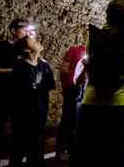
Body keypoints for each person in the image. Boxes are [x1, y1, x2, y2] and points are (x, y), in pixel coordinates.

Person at [75, 0, 124, 167]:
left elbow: (91, 65)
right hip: (119, 103)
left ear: (107, 15)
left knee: (89, 153)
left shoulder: (93, 38)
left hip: (92, 101)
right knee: (116, 156)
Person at [0, 17, 32, 167]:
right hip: (0, 94)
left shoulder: (27, 50)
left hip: (19, 95)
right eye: (24, 28)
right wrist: (13, 70)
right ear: (13, 30)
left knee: (19, 133)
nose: (27, 31)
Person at [8, 36, 55, 167]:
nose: (38, 41)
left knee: (38, 140)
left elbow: (51, 84)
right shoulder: (20, 65)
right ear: (26, 49)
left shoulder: (44, 65)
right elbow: (25, 86)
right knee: (19, 141)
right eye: (33, 41)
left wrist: (36, 87)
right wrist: (36, 88)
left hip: (40, 108)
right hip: (22, 110)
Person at [55, 27, 88, 162]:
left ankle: (75, 149)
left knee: (80, 122)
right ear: (83, 36)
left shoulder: (97, 53)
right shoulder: (75, 50)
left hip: (86, 90)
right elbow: (64, 67)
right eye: (87, 34)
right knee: (67, 119)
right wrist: (65, 84)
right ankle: (61, 150)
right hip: (73, 88)